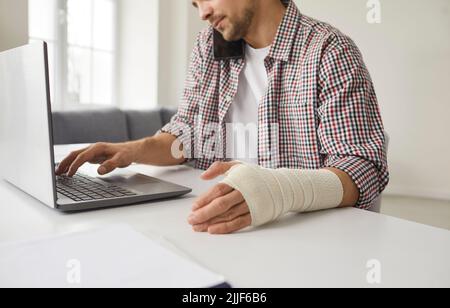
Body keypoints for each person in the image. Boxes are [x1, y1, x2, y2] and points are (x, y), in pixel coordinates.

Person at [56, 0, 389, 234]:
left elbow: (362, 169)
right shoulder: (208, 46)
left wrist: (276, 189)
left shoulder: (329, 50)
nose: (203, 13)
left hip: (307, 231)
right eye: (195, 4)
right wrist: (132, 149)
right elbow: (187, 133)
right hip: (225, 225)